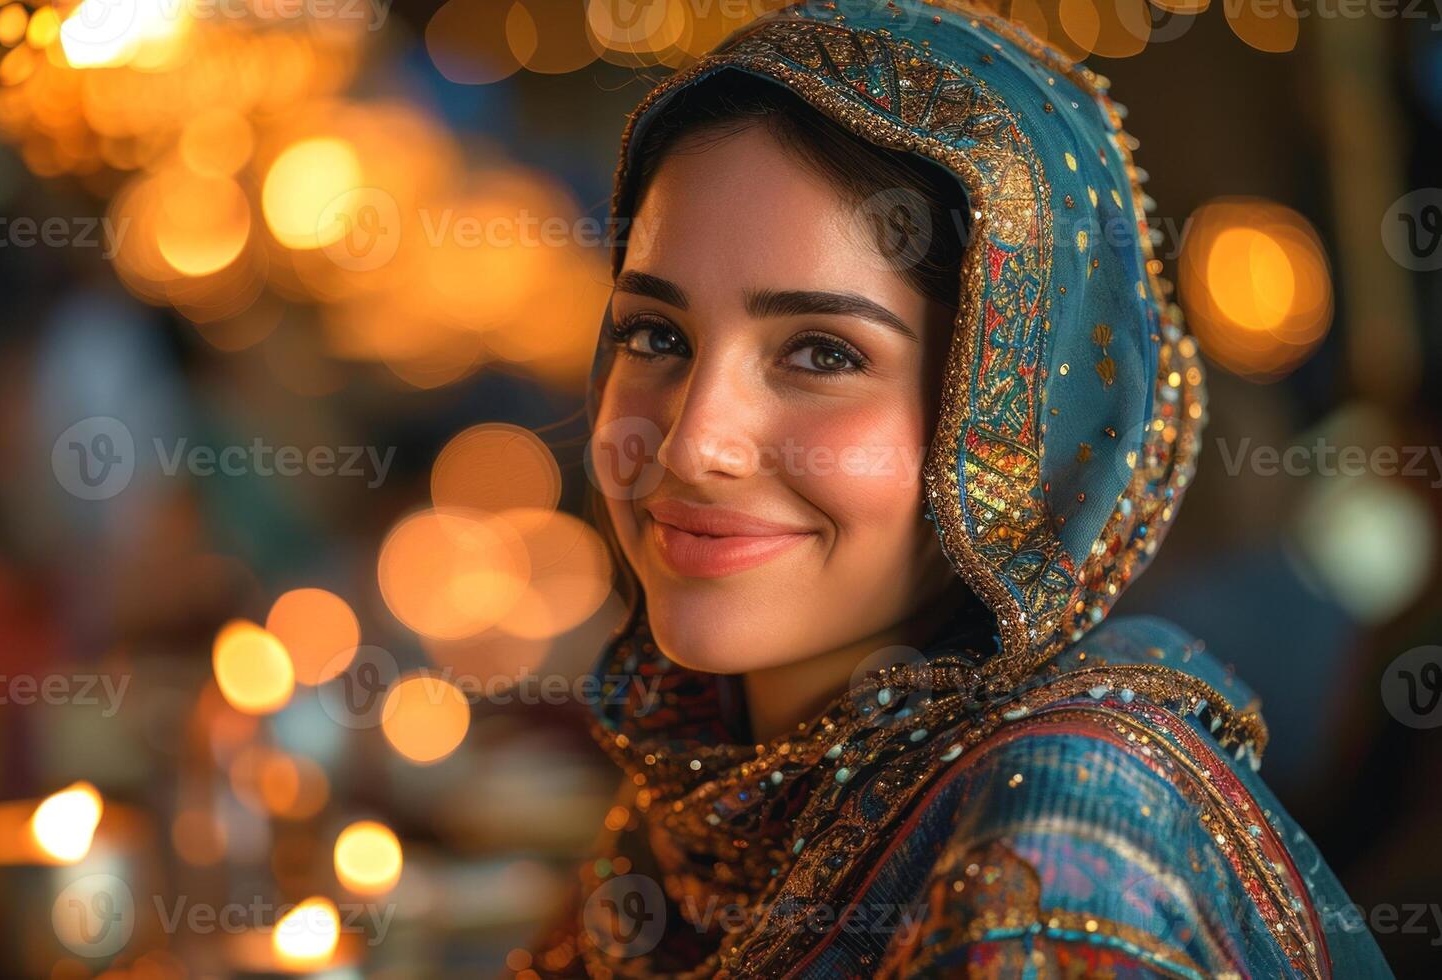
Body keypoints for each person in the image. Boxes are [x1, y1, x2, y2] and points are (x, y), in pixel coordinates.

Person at [527, 1, 1393, 976]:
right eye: (655, 335)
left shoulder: (1061, 839)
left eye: (821, 351)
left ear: (1016, 416)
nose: (692, 444)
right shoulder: (704, 787)